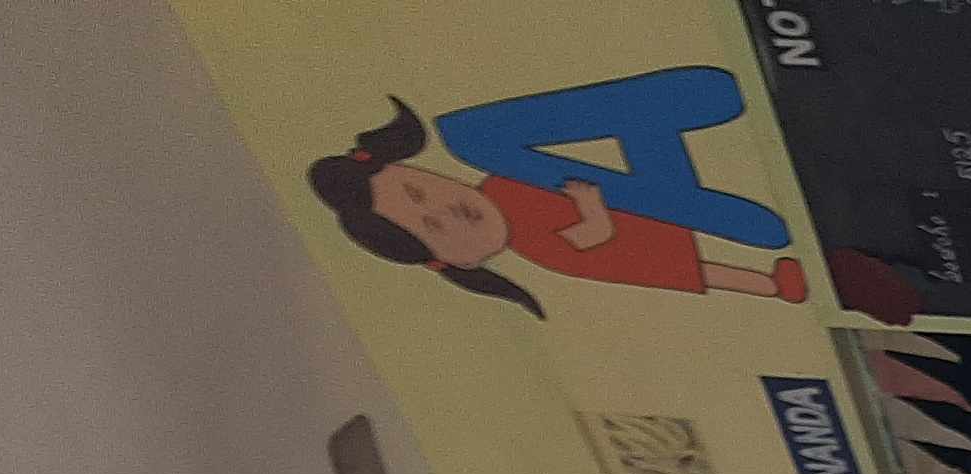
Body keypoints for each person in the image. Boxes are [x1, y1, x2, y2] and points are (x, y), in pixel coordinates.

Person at [304, 83, 803, 314]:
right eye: (433, 227)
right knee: (700, 270)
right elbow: (592, 237)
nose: (443, 208)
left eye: (418, 191)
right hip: (629, 247)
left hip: (642, 214)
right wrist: (591, 207)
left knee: (691, 251)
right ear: (458, 262)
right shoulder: (535, 246)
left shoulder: (502, 182)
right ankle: (772, 286)